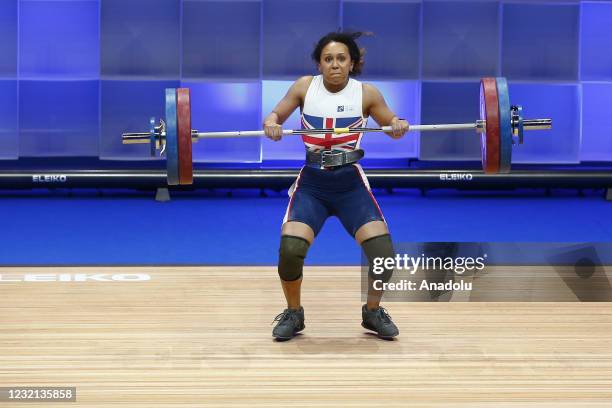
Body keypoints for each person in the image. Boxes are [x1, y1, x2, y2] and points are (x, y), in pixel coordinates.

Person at [263, 31, 409, 341]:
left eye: (341, 59)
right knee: (291, 249)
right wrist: (272, 123)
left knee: (383, 253)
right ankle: (294, 313)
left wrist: (397, 125)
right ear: (319, 63)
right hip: (313, 184)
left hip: (349, 185)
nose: (334, 65)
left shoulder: (366, 93)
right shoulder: (305, 87)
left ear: (352, 63)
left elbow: (391, 124)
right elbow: (275, 115)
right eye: (328, 59)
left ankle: (372, 313)